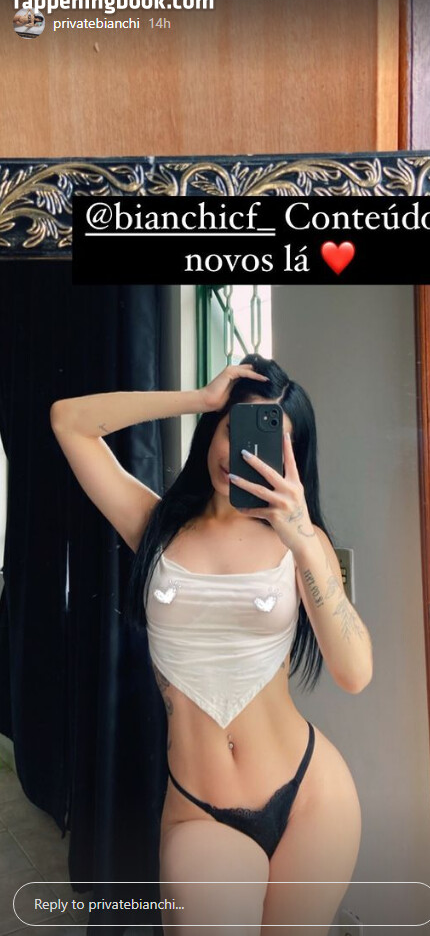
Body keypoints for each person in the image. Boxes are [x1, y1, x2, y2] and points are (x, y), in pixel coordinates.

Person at [50, 354, 373, 936]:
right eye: (234, 429)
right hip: (201, 813)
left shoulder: (304, 545)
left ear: (293, 460)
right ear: (214, 429)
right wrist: (197, 398)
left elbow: (354, 673)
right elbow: (68, 421)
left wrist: (303, 541)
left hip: (312, 797)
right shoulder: (156, 527)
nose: (242, 454)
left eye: (268, 442)